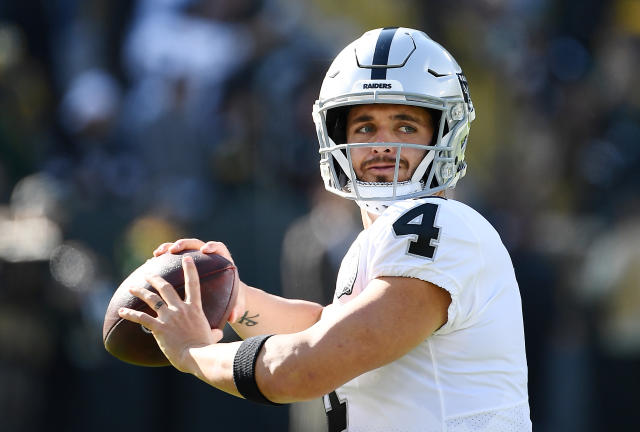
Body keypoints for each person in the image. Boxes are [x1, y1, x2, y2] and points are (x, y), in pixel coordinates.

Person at [119, 27, 532, 431]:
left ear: (445, 133)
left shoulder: (441, 225)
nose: (384, 144)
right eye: (365, 127)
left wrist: (195, 353)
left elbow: (303, 367)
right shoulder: (380, 241)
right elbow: (324, 326)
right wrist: (234, 298)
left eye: (406, 126)